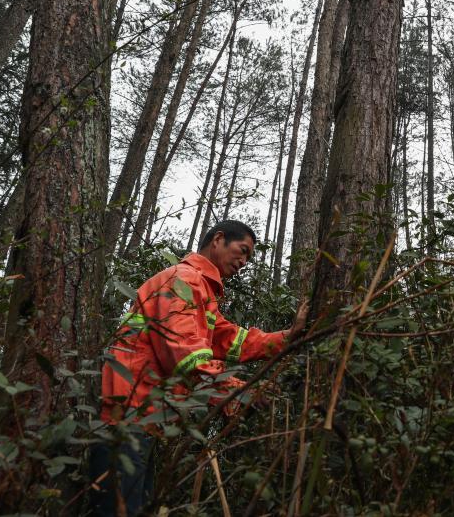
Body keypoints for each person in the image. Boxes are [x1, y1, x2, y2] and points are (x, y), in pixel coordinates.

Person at [90, 220, 306, 516]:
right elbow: (185, 356)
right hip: (128, 413)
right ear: (218, 239)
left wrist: (287, 337)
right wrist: (236, 392)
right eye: (242, 251)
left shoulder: (201, 291)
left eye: (249, 258)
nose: (243, 262)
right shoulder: (183, 279)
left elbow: (229, 340)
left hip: (141, 417)